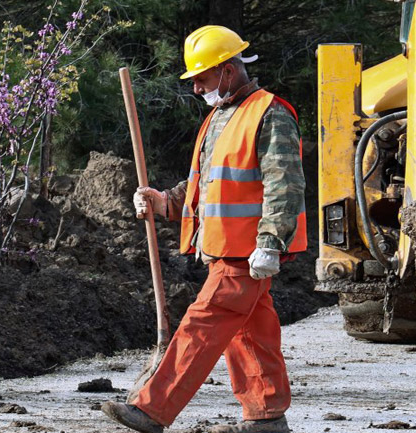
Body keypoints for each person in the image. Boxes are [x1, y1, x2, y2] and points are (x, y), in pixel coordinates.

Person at [102, 24, 307, 433]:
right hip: (225, 250)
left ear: (228, 70)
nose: (196, 88)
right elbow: (206, 185)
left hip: (245, 253)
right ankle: (266, 416)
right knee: (251, 334)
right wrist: (163, 201)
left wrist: (270, 242)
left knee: (203, 324)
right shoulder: (221, 116)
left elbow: (285, 184)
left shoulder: (270, 114)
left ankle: (150, 409)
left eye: (202, 77)